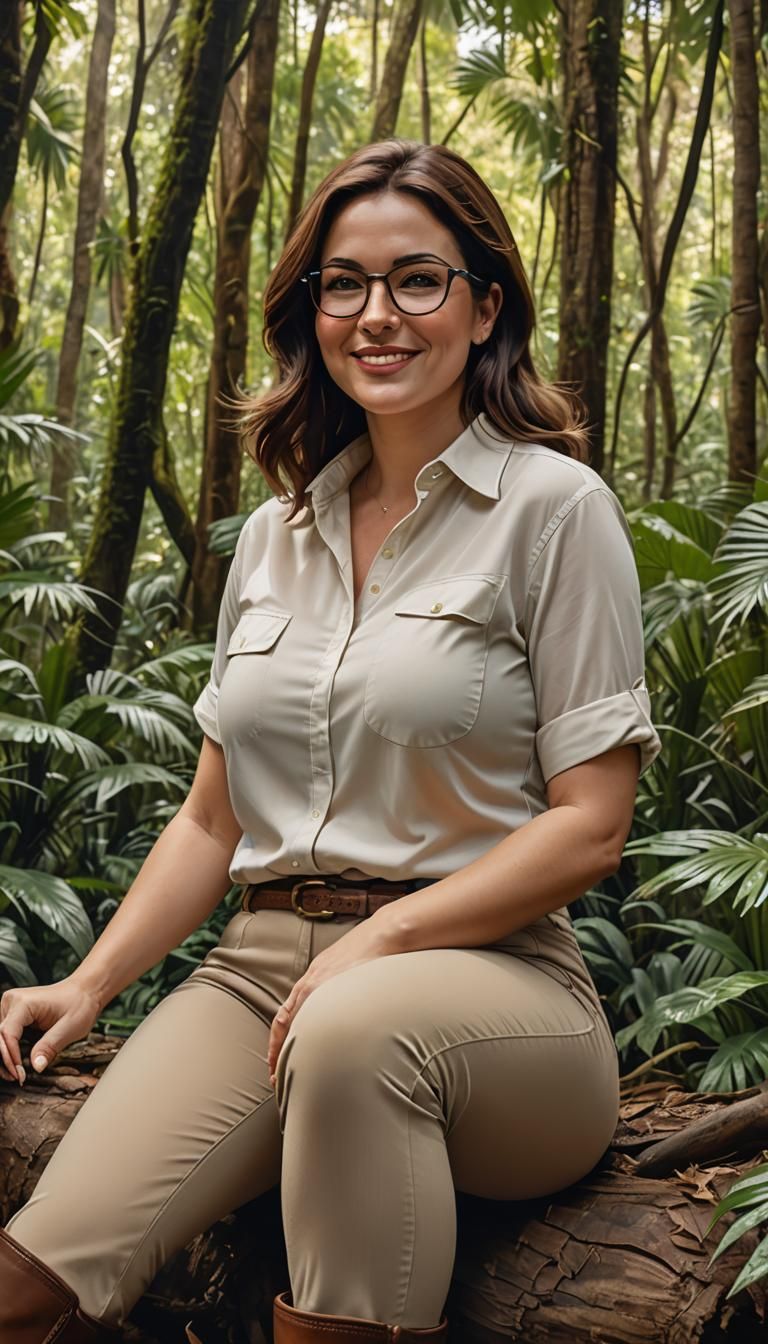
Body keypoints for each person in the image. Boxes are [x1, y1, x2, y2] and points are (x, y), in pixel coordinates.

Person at [0, 139, 662, 1344]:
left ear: (483, 304)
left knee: (361, 1029)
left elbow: (593, 823)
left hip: (496, 987)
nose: (377, 315)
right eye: (343, 286)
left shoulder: (555, 511)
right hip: (258, 976)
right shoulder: (274, 536)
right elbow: (214, 818)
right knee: (30, 1279)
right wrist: (88, 985)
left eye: (418, 279)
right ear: (311, 315)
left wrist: (389, 941)